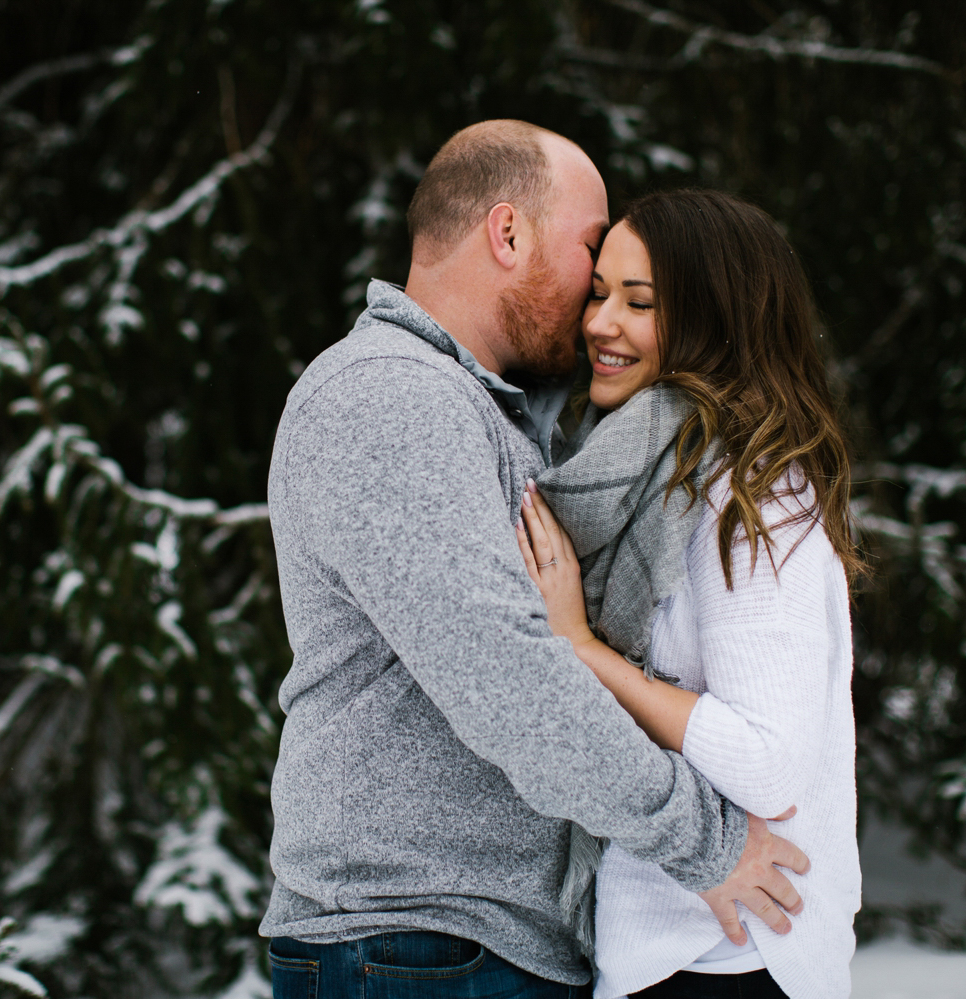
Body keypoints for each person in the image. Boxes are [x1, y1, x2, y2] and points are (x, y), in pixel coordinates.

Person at [261, 122, 811, 997]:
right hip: (420, 943)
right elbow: (508, 677)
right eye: (591, 252)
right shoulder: (389, 396)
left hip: (461, 945)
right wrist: (708, 842)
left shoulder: (484, 411)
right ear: (508, 233)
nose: (598, 306)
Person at [516, 188, 863, 999]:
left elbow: (767, 761)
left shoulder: (753, 489)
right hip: (678, 948)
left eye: (639, 303)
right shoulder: (666, 472)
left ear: (716, 319)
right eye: (599, 293)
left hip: (733, 953)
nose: (601, 323)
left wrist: (582, 649)